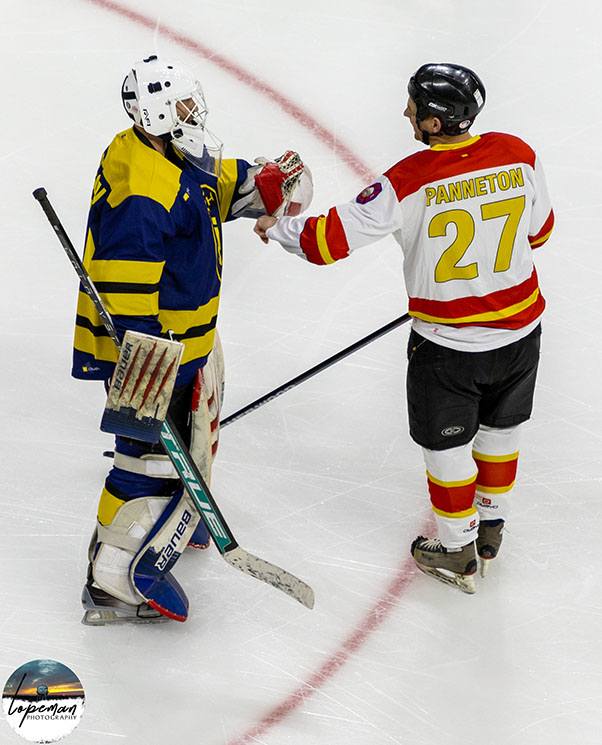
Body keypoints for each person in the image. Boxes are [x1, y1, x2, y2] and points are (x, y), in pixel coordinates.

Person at [255, 62, 554, 594]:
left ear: (436, 123)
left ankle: (457, 547)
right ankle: (490, 528)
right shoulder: (518, 154)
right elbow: (541, 231)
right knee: (501, 432)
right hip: (521, 335)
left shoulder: (409, 180)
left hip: (450, 348)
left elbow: (325, 242)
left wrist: (278, 227)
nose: (405, 113)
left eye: (413, 107)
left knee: (448, 448)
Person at [73, 54, 312, 624]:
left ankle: (177, 521)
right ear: (156, 113)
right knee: (146, 457)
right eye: (181, 105)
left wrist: (263, 184)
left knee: (196, 430)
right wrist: (146, 367)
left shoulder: (162, 150)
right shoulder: (143, 190)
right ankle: (113, 575)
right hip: (156, 347)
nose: (193, 111)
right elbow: (124, 288)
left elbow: (203, 187)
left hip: (190, 336)